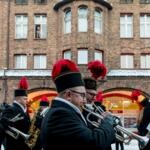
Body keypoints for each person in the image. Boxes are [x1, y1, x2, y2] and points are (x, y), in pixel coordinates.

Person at [41, 59, 116, 150]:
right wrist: (107, 123)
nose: (84, 101)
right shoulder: (60, 114)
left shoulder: (65, 111)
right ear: (68, 94)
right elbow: (93, 143)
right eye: (82, 95)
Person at [0, 77, 31, 150]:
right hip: (13, 146)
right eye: (25, 99)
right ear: (18, 99)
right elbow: (3, 129)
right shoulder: (11, 110)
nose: (27, 101)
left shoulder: (25, 111)